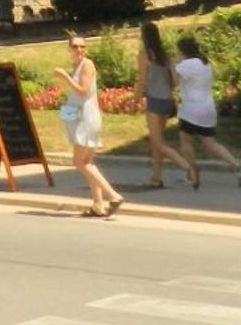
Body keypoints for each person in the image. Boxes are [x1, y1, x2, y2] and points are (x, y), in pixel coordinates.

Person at [54, 32, 123, 217]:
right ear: (69, 48)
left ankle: (113, 195)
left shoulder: (87, 64)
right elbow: (77, 96)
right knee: (88, 162)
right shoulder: (77, 65)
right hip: (81, 115)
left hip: (86, 118)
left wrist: (65, 77)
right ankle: (98, 204)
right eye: (75, 46)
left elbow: (83, 91)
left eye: (82, 46)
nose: (79, 49)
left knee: (79, 162)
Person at [174, 33, 241, 187]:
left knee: (186, 141)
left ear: (182, 51)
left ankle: (193, 173)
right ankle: (237, 165)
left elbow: (174, 82)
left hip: (191, 109)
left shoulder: (185, 65)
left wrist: (173, 65)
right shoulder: (205, 63)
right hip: (208, 108)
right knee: (209, 143)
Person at [139, 21, 198, 190]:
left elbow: (141, 81)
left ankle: (188, 169)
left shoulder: (144, 55)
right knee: (158, 141)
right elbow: (174, 81)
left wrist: (134, 100)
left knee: (157, 143)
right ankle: (156, 178)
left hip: (154, 102)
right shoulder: (165, 56)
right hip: (167, 101)